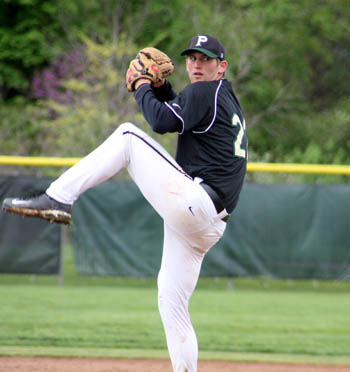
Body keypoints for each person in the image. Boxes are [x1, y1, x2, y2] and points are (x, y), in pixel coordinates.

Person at [2, 34, 248, 372]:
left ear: (221, 66)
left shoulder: (205, 91)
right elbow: (180, 113)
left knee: (127, 137)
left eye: (205, 59)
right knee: (171, 301)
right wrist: (161, 90)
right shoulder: (223, 96)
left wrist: (142, 86)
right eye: (192, 58)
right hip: (207, 222)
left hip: (196, 203)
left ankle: (58, 198)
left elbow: (163, 122)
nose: (196, 64)